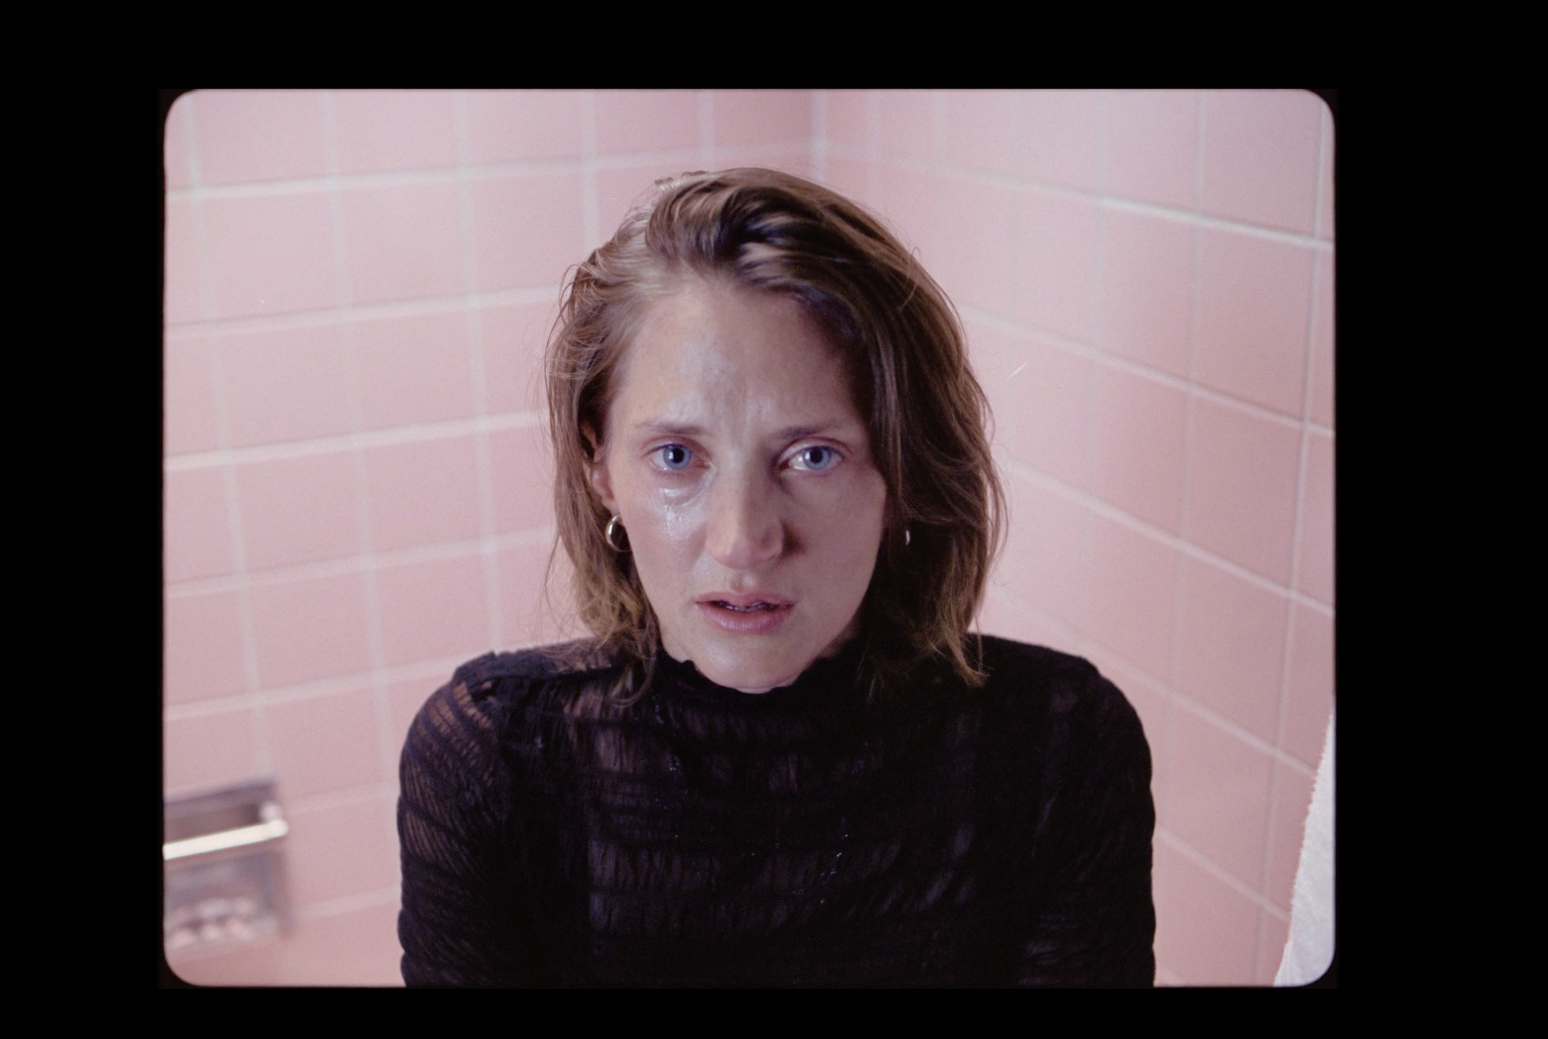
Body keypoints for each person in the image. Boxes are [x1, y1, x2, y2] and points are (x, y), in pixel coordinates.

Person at [397, 168, 1155, 987]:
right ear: (600, 467)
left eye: (811, 455)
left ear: (900, 468)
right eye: (678, 456)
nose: (745, 540)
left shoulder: (1059, 749)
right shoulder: (493, 763)